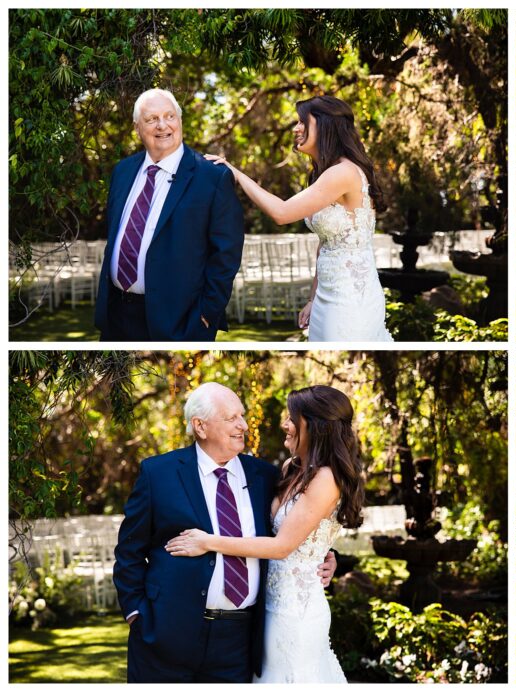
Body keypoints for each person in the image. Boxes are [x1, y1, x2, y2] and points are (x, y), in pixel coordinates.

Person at [112, 382, 336, 683]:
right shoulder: (158, 474)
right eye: (232, 418)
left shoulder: (265, 476)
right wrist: (136, 614)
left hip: (239, 642)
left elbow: (296, 525)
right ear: (200, 426)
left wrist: (328, 556)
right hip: (166, 634)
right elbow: (129, 551)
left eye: (241, 416)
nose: (243, 425)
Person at [166, 385, 365, 683]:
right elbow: (274, 527)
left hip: (297, 613)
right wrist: (323, 552)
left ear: (314, 425)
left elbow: (283, 545)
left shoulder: (326, 478)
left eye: (292, 417)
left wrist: (207, 542)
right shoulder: (290, 468)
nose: (284, 423)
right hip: (264, 611)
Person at [205, 96, 392, 342]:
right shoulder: (328, 172)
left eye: (303, 121)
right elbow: (327, 244)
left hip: (349, 300)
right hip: (327, 296)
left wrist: (236, 173)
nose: (296, 128)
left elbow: (282, 213)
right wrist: (313, 299)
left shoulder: (342, 173)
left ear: (325, 125)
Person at [95, 89, 245, 341]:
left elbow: (227, 254)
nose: (162, 125)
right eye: (151, 119)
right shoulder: (122, 171)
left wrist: (208, 312)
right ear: (137, 127)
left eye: (170, 116)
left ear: (180, 120)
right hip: (116, 316)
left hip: (179, 321)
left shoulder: (211, 177)